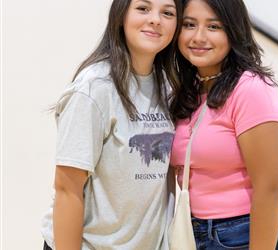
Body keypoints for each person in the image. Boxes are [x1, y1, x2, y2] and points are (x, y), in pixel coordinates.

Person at [41, 0, 182, 249]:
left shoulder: (168, 87)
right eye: (143, 8)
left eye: (168, 12)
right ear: (121, 14)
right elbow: (67, 190)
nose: (156, 19)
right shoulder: (93, 89)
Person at [170, 0, 278, 249]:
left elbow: (270, 188)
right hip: (196, 230)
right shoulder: (189, 90)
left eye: (214, 27)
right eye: (189, 24)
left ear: (233, 31)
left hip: (247, 230)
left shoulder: (252, 89)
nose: (199, 37)